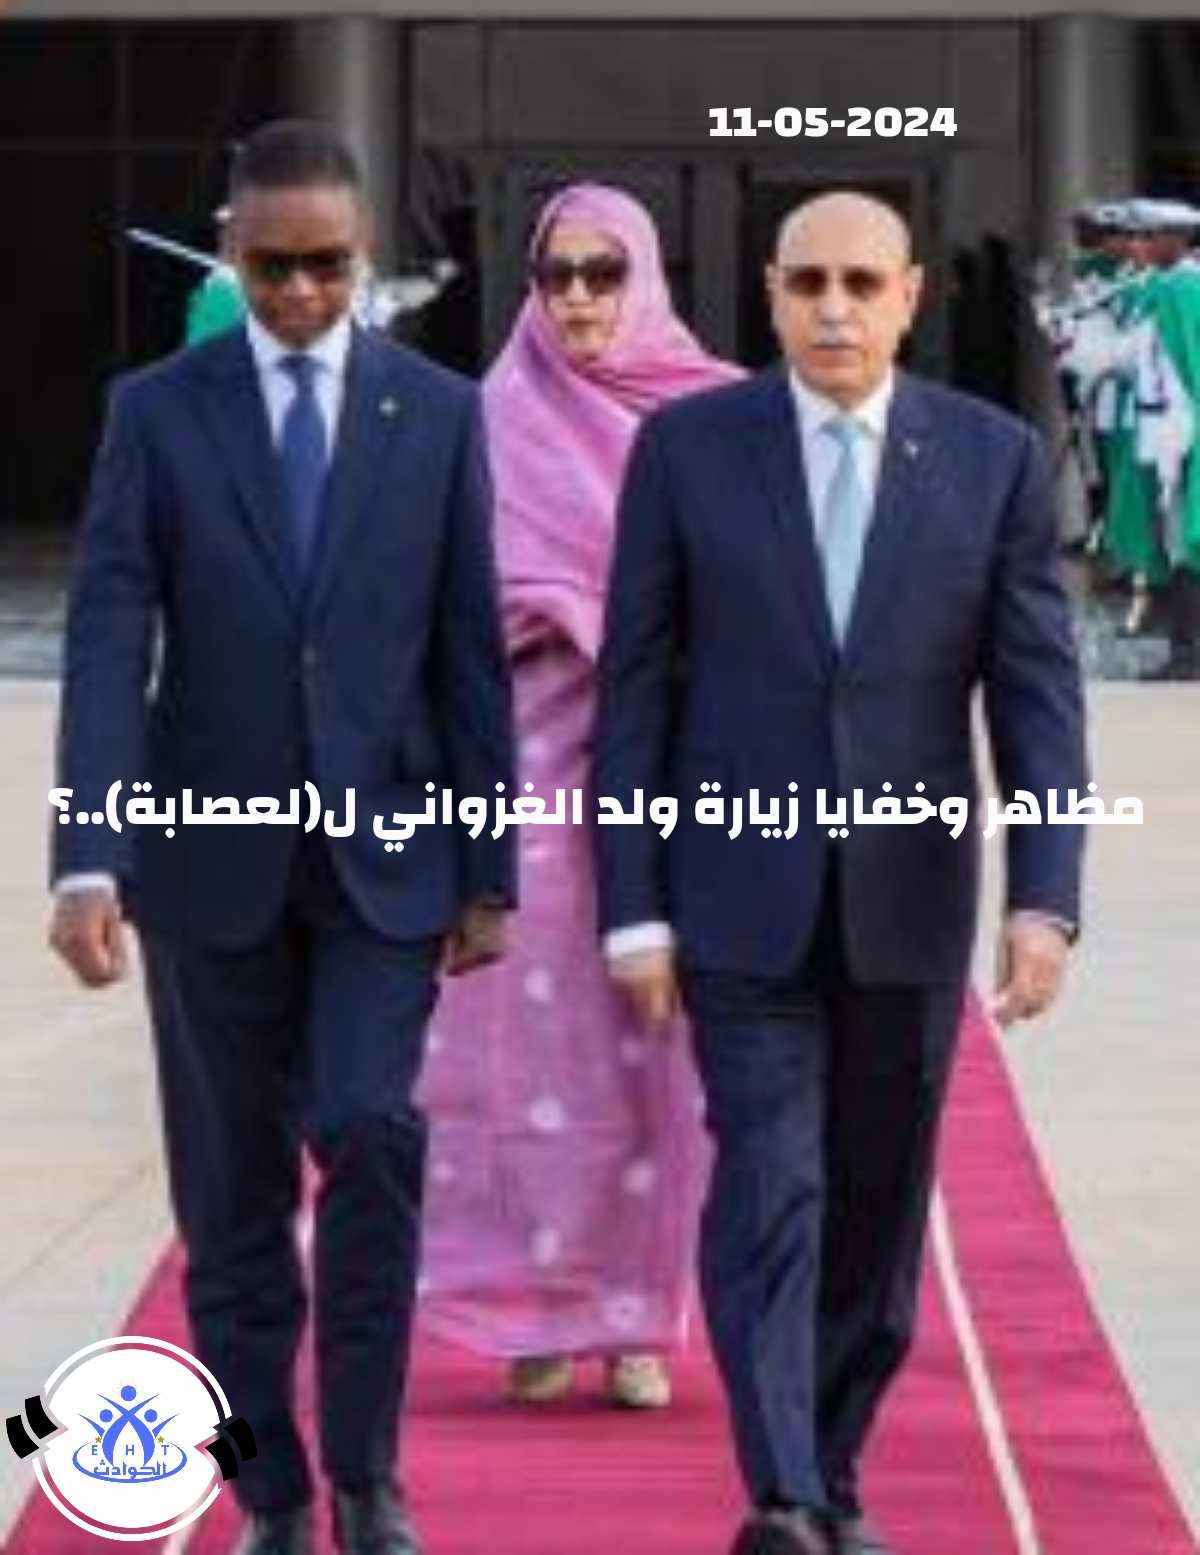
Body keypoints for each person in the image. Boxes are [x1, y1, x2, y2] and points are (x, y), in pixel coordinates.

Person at [593, 192, 1088, 1555]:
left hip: (908, 908)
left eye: (861, 283)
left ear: (910, 295)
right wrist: (632, 906)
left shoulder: (991, 460)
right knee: (772, 1183)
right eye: (807, 281)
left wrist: (1044, 895)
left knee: (876, 1211)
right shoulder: (687, 451)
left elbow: (1037, 698)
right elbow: (633, 693)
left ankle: (835, 1466)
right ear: (769, 289)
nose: (833, 307)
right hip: (734, 906)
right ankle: (788, 1493)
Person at [49, 119, 514, 1555]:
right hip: (209, 861)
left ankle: (370, 1477)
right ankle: (274, 1492)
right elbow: (110, 633)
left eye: (326, 264)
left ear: (362, 253)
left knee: (371, 1127)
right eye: (273, 267)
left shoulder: (437, 412)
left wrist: (490, 865)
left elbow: (468, 648)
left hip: (387, 860)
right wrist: (89, 851)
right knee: (232, 1197)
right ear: (230, 252)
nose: (303, 292)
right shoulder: (155, 411)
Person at [416, 182, 740, 1409]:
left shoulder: (714, 413)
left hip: (675, 774)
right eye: (560, 275)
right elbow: (444, 592)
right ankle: (534, 1310)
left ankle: (640, 1317)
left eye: (607, 273)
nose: (582, 298)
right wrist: (553, 604)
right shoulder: (490, 416)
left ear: (645, 277)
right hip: (534, 776)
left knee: (662, 1054)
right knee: (528, 1052)